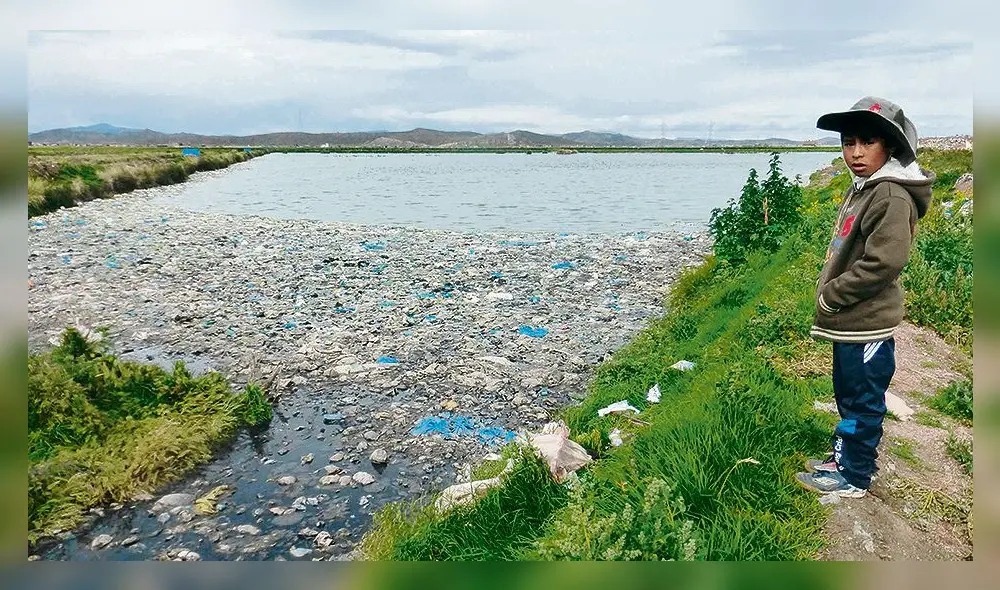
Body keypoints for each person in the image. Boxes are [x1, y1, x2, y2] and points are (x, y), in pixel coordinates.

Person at [795, 96, 935, 498]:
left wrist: (831, 296)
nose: (855, 153)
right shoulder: (866, 187)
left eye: (867, 142)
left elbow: (883, 263)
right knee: (850, 394)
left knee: (863, 400)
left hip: (866, 320)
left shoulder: (889, 195)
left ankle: (853, 477)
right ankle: (844, 458)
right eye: (848, 142)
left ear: (889, 147)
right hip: (853, 321)